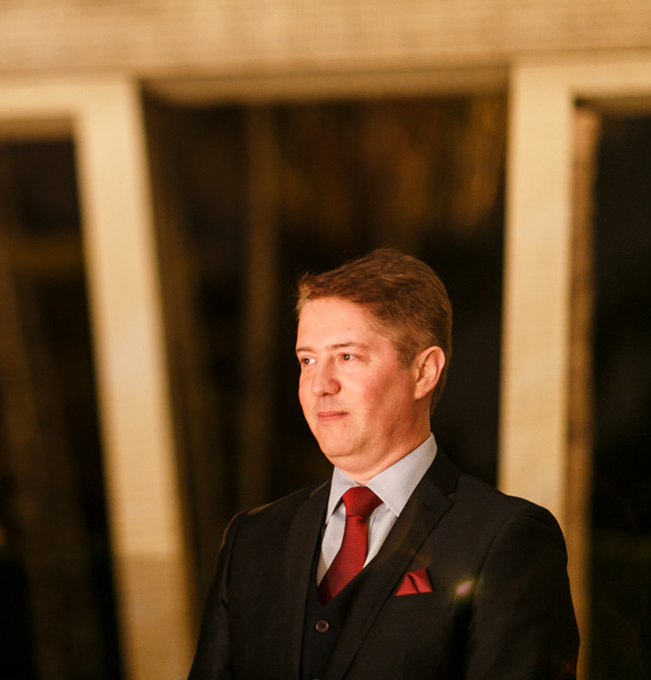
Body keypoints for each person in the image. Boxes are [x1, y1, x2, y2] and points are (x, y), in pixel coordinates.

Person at [187, 248, 579, 680]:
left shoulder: (506, 540)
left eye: (348, 356)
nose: (319, 384)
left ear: (424, 372)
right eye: (307, 360)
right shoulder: (251, 540)